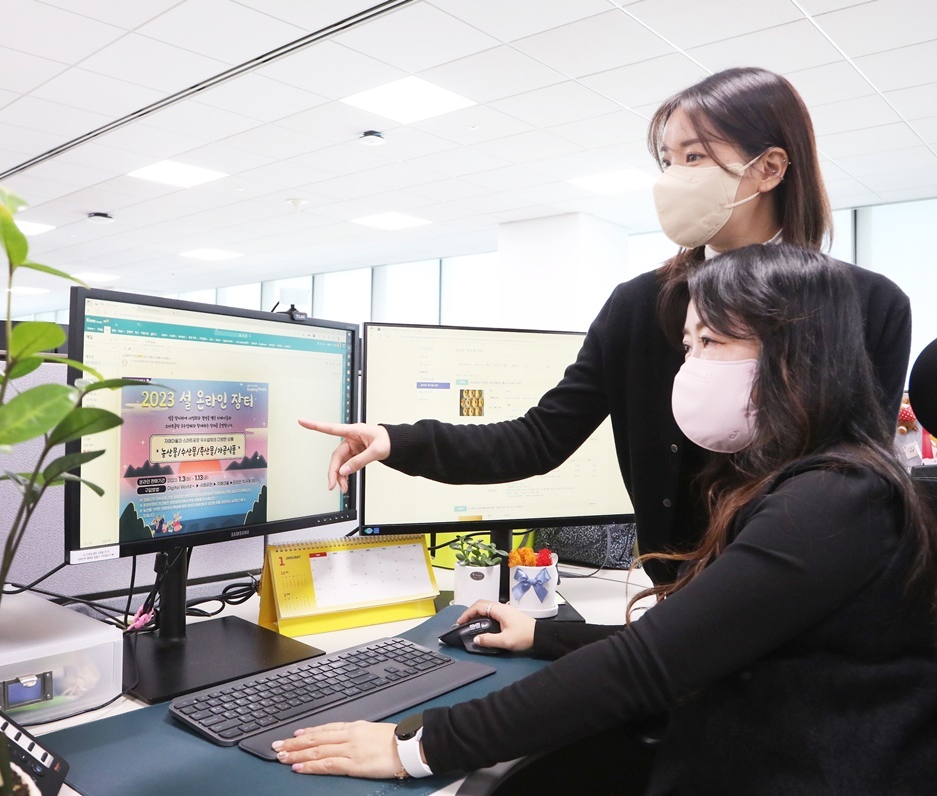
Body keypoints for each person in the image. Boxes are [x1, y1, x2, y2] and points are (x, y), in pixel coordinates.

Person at [275, 244, 937, 793]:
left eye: (711, 341)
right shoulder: (815, 484)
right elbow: (712, 641)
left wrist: (417, 746)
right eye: (687, 345)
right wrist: (544, 635)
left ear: (796, 352)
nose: (689, 367)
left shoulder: (831, 503)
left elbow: (647, 667)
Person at [298, 66, 911, 586]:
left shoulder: (870, 305)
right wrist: (397, 440)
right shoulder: (640, 305)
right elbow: (539, 438)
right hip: (674, 600)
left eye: (694, 157)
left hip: (807, 600)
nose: (673, 177)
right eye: (667, 159)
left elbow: (857, 484)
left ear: (770, 167)